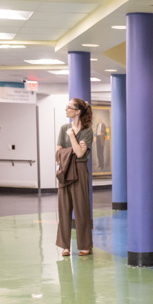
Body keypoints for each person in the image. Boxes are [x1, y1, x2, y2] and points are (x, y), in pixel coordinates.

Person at [56, 98, 93, 257]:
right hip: (65, 170)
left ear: (77, 111)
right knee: (64, 208)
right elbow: (58, 154)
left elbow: (80, 155)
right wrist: (75, 148)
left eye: (69, 107)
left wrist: (71, 136)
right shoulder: (63, 127)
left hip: (80, 169)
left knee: (81, 208)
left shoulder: (87, 131)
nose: (66, 109)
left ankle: (85, 245)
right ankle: (65, 246)